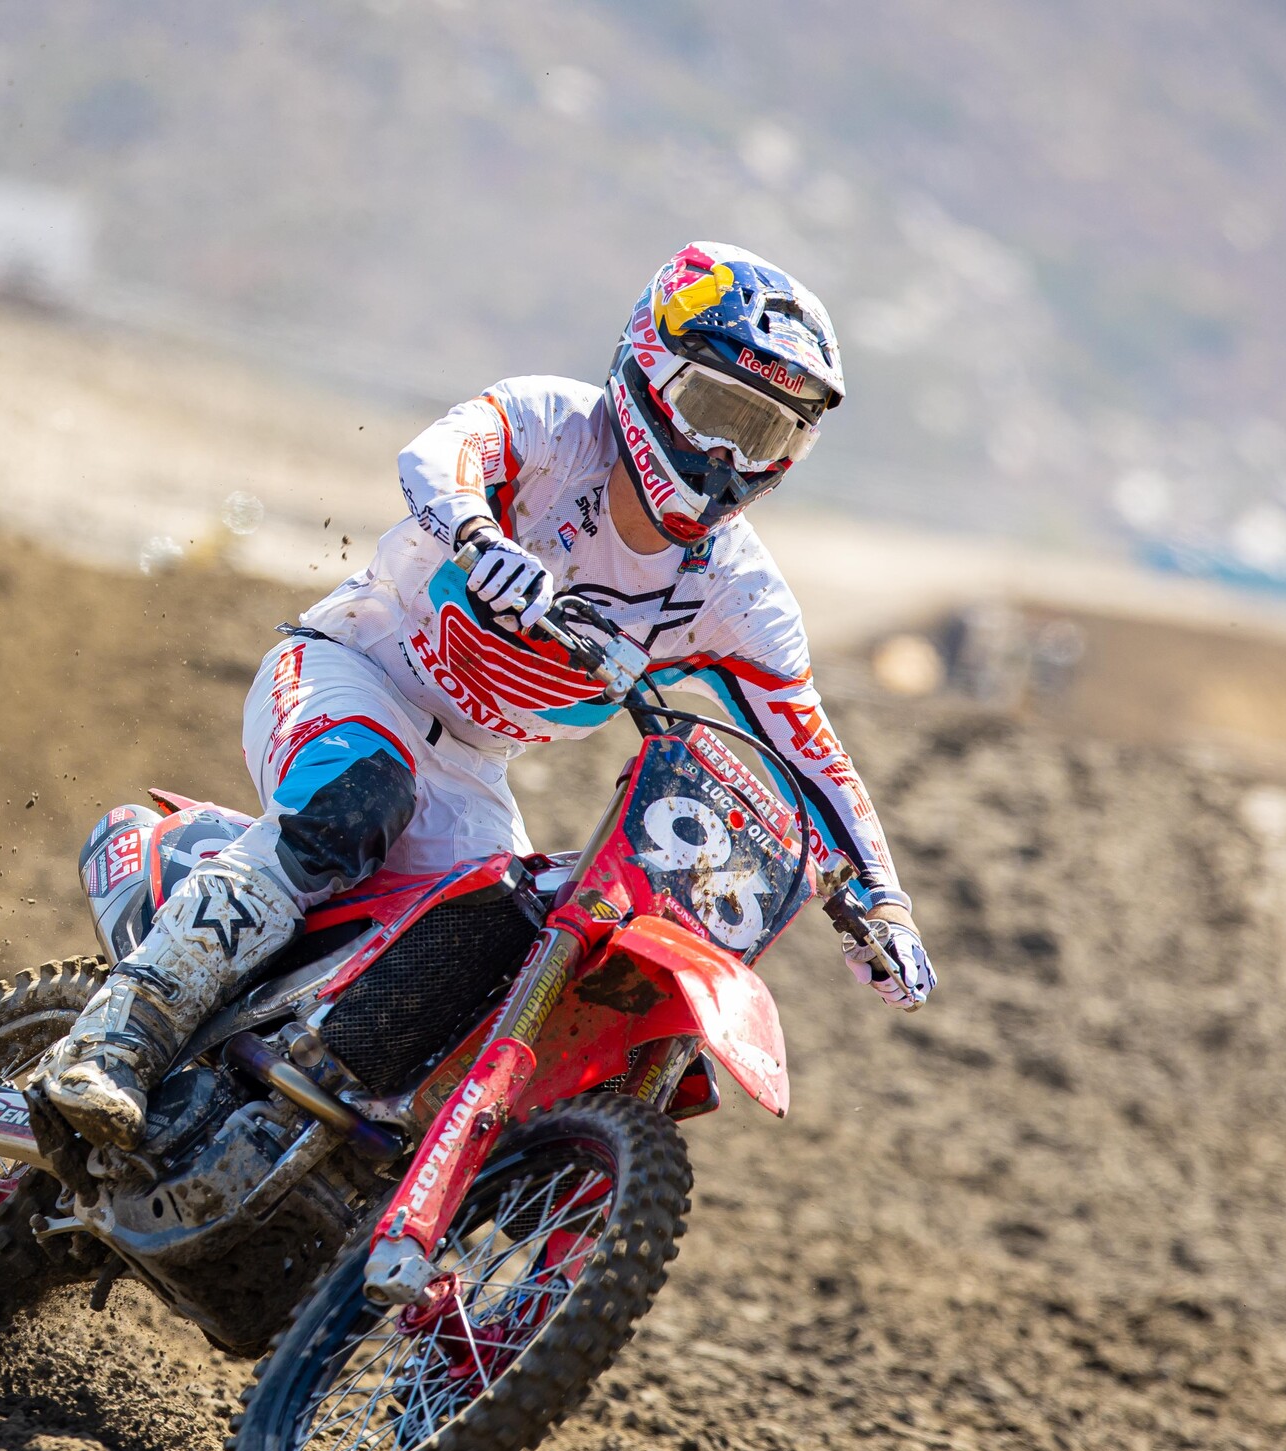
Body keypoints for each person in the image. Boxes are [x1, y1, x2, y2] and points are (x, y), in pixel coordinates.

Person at [47, 241, 936, 1149]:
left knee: (514, 954)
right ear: (652, 369)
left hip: (471, 769)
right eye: (715, 412)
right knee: (360, 800)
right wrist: (480, 535)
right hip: (351, 670)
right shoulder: (553, 425)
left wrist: (883, 901)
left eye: (764, 436)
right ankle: (117, 1039)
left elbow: (812, 752)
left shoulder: (739, 596)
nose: (723, 455)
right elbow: (436, 457)